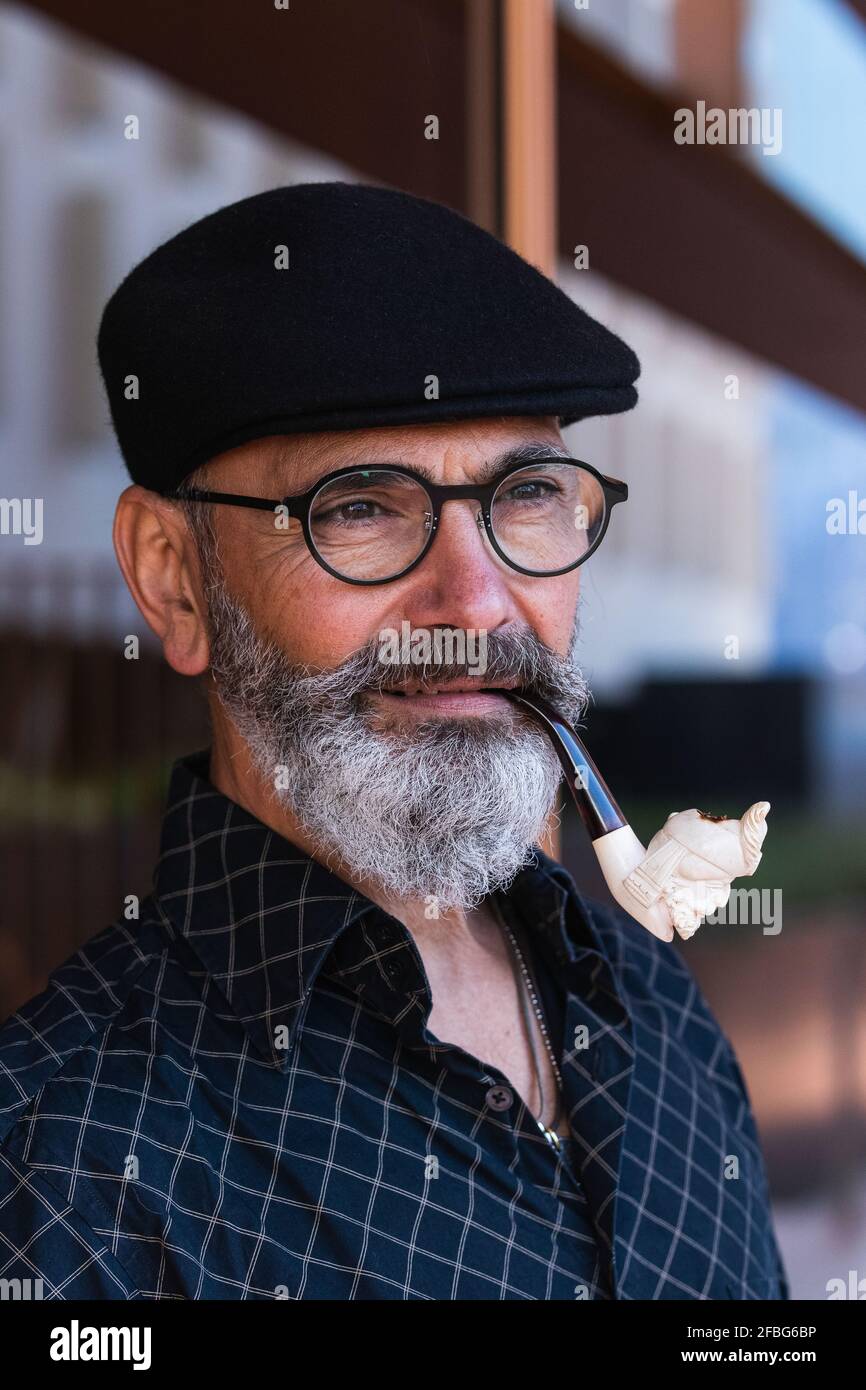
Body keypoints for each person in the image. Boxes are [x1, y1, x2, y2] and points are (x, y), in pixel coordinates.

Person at [0, 182, 789, 1300]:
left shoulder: (648, 1003)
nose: (475, 604)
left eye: (524, 496)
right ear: (176, 580)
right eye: (359, 505)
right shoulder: (60, 1159)